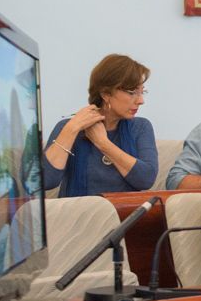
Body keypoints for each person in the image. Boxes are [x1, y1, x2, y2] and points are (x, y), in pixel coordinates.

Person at [42, 54, 157, 196]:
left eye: (142, 92)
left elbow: (146, 179)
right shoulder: (69, 127)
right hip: (79, 216)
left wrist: (103, 143)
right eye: (132, 92)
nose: (140, 100)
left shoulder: (141, 127)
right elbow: (46, 181)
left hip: (126, 216)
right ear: (106, 94)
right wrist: (72, 129)